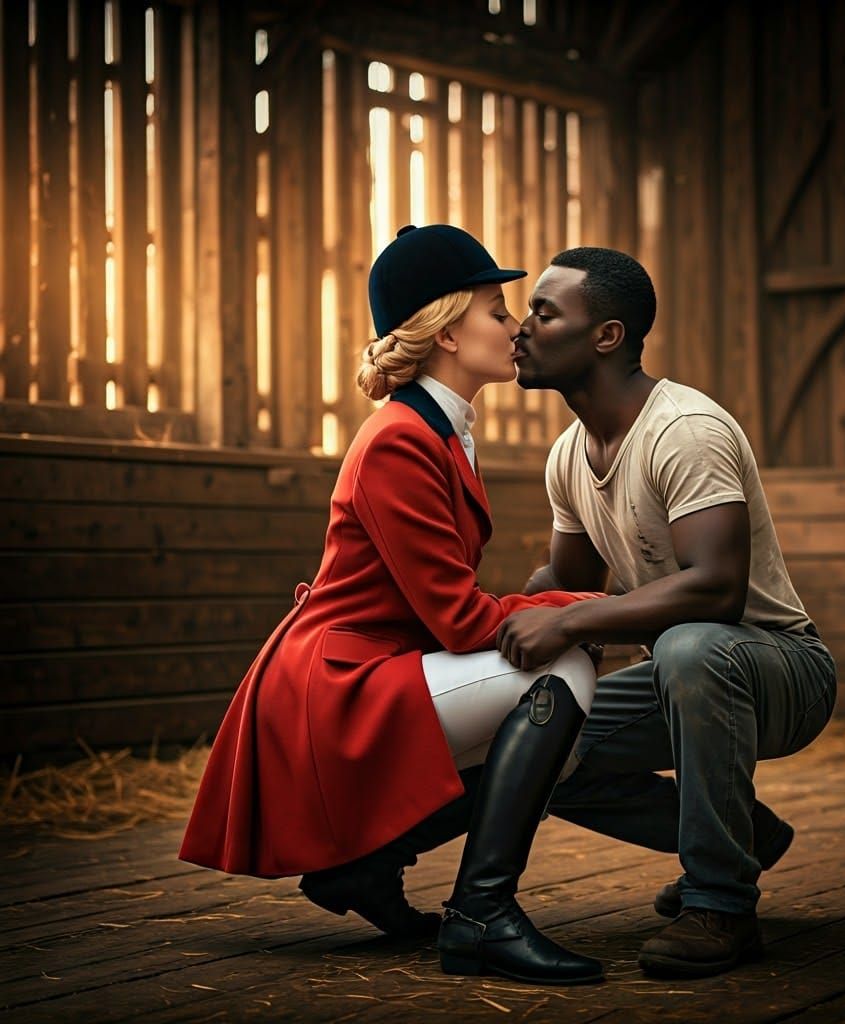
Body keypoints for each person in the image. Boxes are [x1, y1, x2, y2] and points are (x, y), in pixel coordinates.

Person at [179, 225, 606, 986]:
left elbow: (450, 612)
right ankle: (482, 914)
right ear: (447, 331)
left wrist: (574, 609)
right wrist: (592, 608)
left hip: (377, 667)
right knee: (562, 668)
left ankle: (369, 867)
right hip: (336, 685)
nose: (514, 328)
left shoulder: (439, 431)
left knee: (559, 725)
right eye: (496, 310)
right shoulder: (399, 440)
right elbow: (459, 619)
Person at [499, 246, 837, 979]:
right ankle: (742, 834)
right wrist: (501, 618)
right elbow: (568, 582)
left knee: (688, 645)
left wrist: (565, 624)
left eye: (545, 311)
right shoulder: (570, 453)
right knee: (547, 741)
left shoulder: (683, 429)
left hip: (782, 669)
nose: (519, 328)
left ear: (606, 336)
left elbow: (716, 587)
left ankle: (720, 903)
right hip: (682, 677)